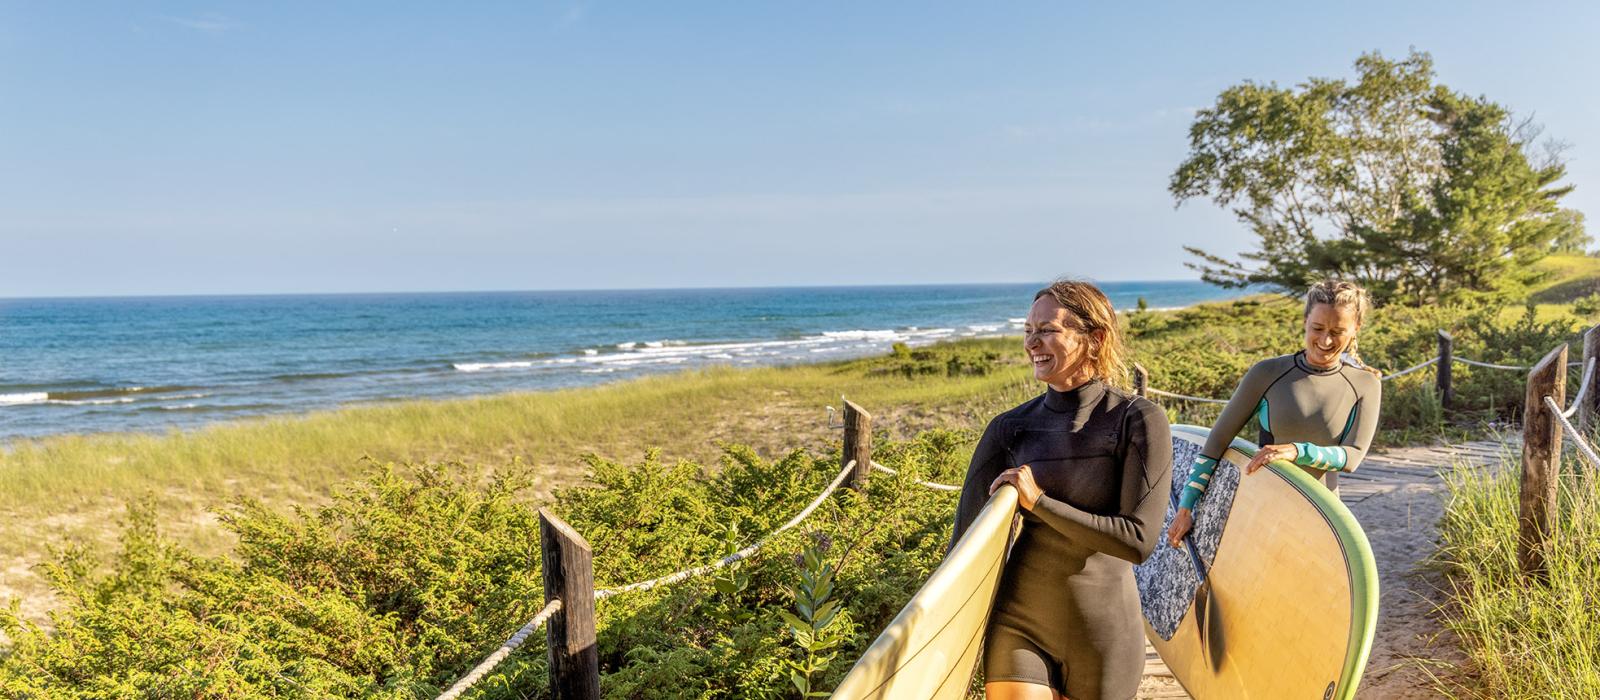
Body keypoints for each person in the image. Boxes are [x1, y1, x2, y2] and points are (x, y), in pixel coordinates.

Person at [951, 279, 1173, 700]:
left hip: (1102, 631)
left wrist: (1038, 503)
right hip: (1019, 622)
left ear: (1095, 337)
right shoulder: (1008, 428)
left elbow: (1138, 541)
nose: (1033, 342)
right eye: (1028, 330)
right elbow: (963, 541)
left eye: (1048, 330)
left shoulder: (1137, 420)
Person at [1165, 279, 1382, 549]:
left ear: (1356, 329)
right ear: (1305, 321)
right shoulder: (1268, 373)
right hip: (1263, 506)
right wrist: (1186, 508)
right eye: (1317, 328)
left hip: (1323, 515)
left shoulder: (1365, 384)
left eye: (1338, 331)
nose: (1325, 340)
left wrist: (1296, 451)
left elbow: (1353, 456)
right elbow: (1216, 442)